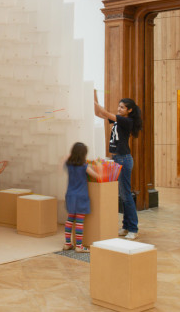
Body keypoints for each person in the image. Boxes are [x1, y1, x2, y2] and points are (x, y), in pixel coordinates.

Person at [94, 90, 143, 239]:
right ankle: (126, 226)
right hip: (117, 159)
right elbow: (99, 113)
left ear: (129, 110)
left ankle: (133, 228)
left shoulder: (126, 121)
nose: (119, 109)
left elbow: (104, 112)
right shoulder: (118, 120)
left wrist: (91, 96)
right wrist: (93, 94)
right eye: (119, 106)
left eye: (122, 107)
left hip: (124, 159)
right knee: (123, 195)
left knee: (126, 195)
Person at [62, 142, 99, 252]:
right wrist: (99, 167)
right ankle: (79, 246)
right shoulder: (84, 167)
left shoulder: (69, 165)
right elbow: (97, 176)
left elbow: (65, 158)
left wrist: (70, 155)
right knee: (79, 221)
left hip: (70, 195)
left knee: (69, 220)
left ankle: (67, 243)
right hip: (81, 197)